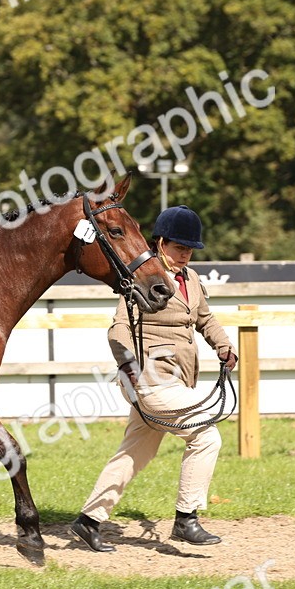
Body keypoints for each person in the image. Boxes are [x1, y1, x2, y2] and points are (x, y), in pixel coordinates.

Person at [71, 205, 238, 552]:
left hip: (178, 380)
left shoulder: (191, 279)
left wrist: (224, 347)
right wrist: (127, 364)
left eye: (190, 249)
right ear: (160, 243)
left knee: (134, 454)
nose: (185, 255)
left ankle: (88, 521)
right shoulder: (144, 276)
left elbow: (205, 319)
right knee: (206, 435)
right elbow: (119, 327)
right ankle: (186, 519)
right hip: (151, 379)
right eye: (180, 248)